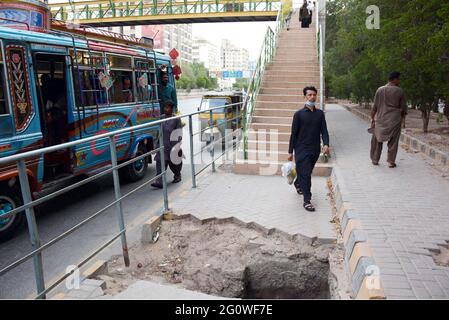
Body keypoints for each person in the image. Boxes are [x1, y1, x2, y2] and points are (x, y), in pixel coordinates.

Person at [288, 86, 329, 212]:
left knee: (306, 172)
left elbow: (324, 131)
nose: (312, 97)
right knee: (305, 173)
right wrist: (290, 152)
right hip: (301, 149)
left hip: (314, 149)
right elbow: (293, 134)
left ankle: (297, 183)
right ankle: (307, 200)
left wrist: (326, 144)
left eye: (314, 95)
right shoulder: (299, 114)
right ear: (305, 97)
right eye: (309, 95)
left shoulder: (320, 114)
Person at [370, 72, 407, 168]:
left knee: (377, 139)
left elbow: (374, 107)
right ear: (394, 79)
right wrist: (402, 118)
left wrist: (372, 119)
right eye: (398, 79)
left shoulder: (380, 90)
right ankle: (391, 161)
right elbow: (403, 108)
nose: (399, 81)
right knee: (393, 141)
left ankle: (375, 159)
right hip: (394, 120)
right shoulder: (400, 91)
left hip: (381, 119)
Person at [151, 100, 183, 188]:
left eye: (167, 107)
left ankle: (177, 175)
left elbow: (179, 132)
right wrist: (155, 145)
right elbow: (157, 132)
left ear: (171, 109)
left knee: (174, 164)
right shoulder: (161, 118)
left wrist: (178, 145)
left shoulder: (176, 119)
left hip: (172, 145)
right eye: (165, 107)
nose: (165, 109)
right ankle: (159, 181)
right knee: (160, 162)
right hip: (162, 145)